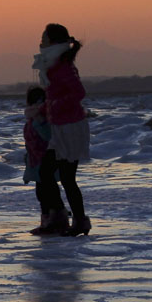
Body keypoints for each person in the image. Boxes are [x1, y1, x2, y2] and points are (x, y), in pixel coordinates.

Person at [30, 23, 91, 236]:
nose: (40, 41)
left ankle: (79, 221)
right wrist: (42, 109)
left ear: (53, 41)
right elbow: (55, 96)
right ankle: (58, 216)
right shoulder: (52, 64)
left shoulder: (62, 66)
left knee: (66, 177)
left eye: (44, 37)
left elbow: (78, 93)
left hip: (70, 128)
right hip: (59, 127)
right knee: (46, 173)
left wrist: (54, 106)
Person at [23, 86, 54, 230]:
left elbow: (47, 136)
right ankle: (48, 217)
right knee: (42, 191)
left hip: (44, 158)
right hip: (35, 160)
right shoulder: (32, 119)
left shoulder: (40, 119)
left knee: (45, 190)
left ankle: (51, 217)